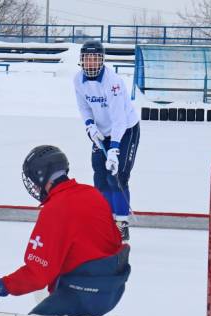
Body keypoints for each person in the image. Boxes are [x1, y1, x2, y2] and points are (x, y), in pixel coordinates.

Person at [0, 145, 131, 316]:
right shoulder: (92, 194)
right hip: (111, 290)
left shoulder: (55, 209)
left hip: (82, 295)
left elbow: (38, 274)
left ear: (41, 176)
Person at [73, 40, 140, 241]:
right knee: (100, 176)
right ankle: (105, 221)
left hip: (125, 130)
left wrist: (114, 149)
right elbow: (84, 106)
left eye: (95, 59)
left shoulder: (113, 82)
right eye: (87, 59)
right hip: (101, 132)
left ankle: (121, 223)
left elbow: (119, 119)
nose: (91, 63)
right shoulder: (78, 80)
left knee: (116, 176)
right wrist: (90, 125)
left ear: (102, 60)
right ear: (82, 61)